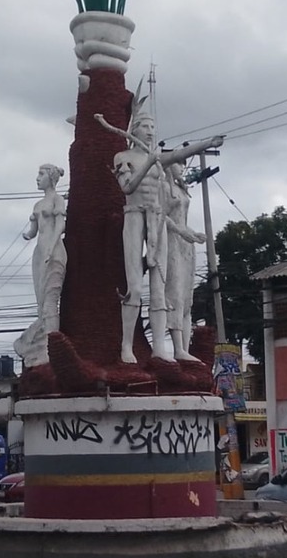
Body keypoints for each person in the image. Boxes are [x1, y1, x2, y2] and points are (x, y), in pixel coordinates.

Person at [94, 102, 222, 364]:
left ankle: (160, 349)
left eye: (153, 127)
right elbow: (127, 188)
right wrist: (148, 163)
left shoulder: (158, 159)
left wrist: (207, 142)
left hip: (157, 218)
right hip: (134, 216)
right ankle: (126, 346)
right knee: (133, 286)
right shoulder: (123, 157)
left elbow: (178, 155)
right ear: (136, 130)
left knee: (159, 285)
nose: (151, 131)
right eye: (146, 127)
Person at [14, 164, 67, 367]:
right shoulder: (37, 205)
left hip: (54, 251)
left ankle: (49, 349)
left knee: (50, 301)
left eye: (41, 174)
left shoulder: (57, 200)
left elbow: (60, 226)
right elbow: (32, 231)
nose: (37, 178)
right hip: (39, 253)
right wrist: (26, 235)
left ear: (51, 178)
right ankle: (41, 347)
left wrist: (51, 248)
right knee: (41, 302)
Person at [162, 162, 205, 361]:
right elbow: (160, 216)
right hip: (171, 241)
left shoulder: (181, 189)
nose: (181, 168)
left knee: (187, 299)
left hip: (185, 242)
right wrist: (180, 231)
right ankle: (177, 348)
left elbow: (182, 220)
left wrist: (191, 233)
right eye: (178, 165)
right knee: (175, 295)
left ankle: (184, 349)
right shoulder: (163, 188)